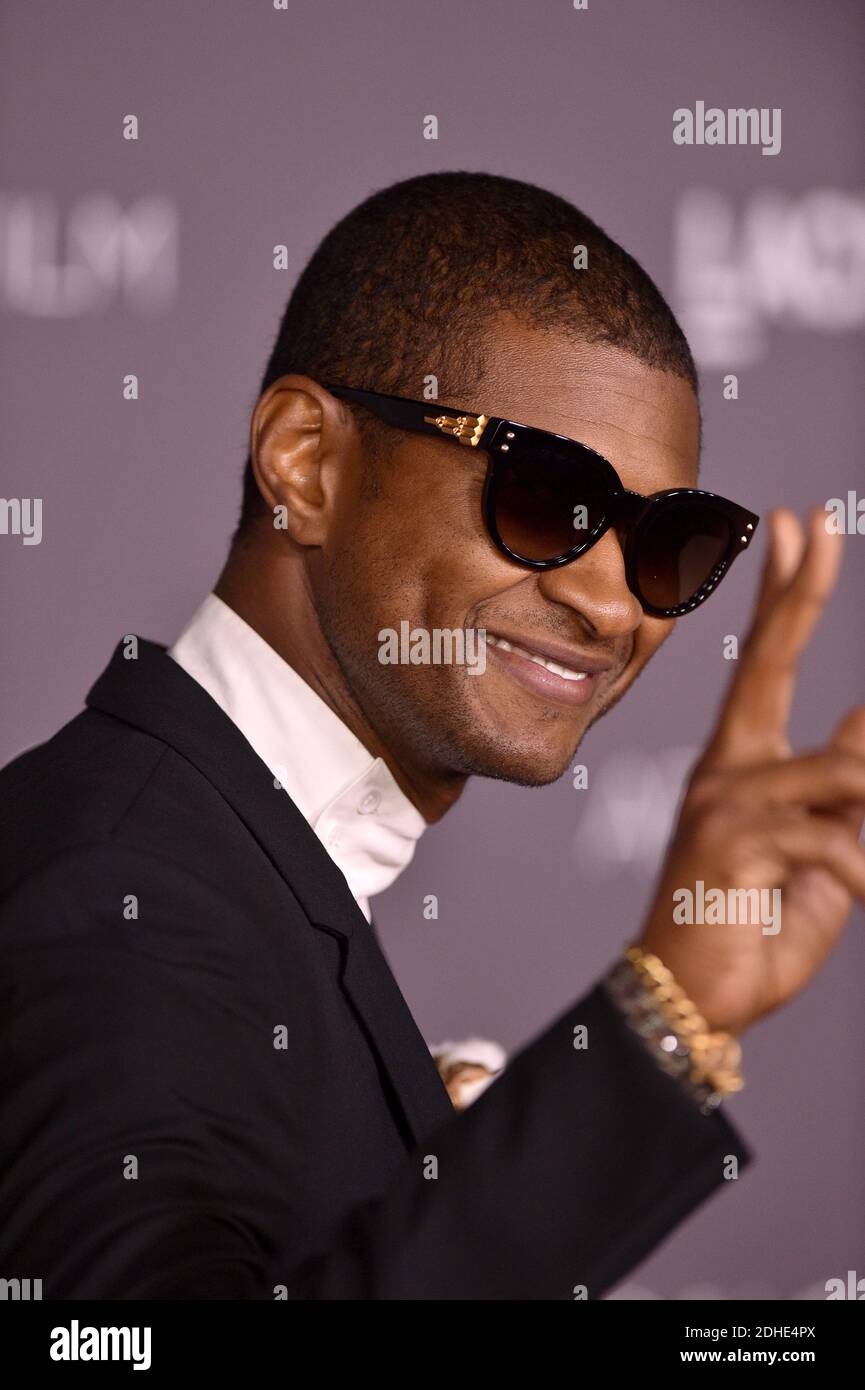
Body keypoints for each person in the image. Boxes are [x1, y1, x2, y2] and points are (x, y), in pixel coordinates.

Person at [1, 172, 862, 1300]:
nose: (614, 607)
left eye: (670, 545)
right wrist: (666, 1014)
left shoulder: (236, 858)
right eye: (548, 499)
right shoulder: (121, 900)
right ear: (305, 461)